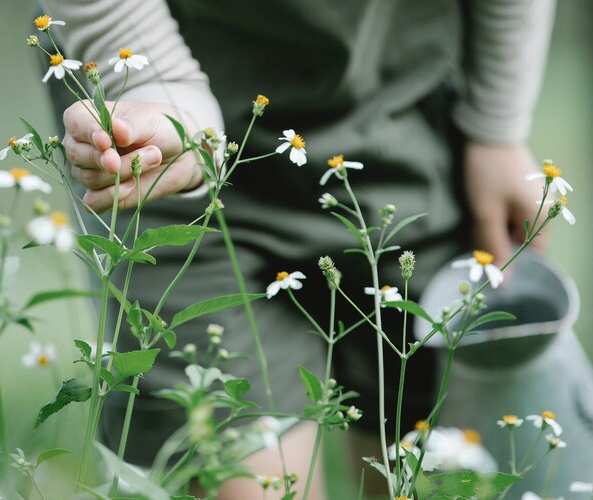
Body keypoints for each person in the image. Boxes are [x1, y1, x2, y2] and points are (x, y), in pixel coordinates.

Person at [42, 0, 555, 497]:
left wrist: (497, 127)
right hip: (163, 150)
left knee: (420, 464)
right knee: (239, 468)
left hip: (406, 126)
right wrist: (164, 93)